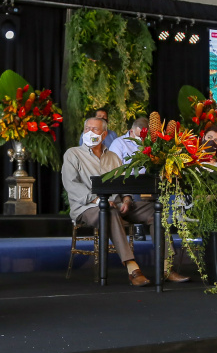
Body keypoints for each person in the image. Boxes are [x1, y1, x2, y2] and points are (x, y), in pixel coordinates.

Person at [63, 116, 189, 286]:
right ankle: (132, 268)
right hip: (87, 207)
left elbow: (123, 182)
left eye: (95, 129)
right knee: (108, 211)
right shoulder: (73, 154)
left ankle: (166, 268)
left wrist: (128, 199)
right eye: (87, 129)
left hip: (117, 204)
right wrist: (98, 200)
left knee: (155, 211)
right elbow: (71, 184)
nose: (90, 132)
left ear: (104, 134)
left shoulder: (113, 157)